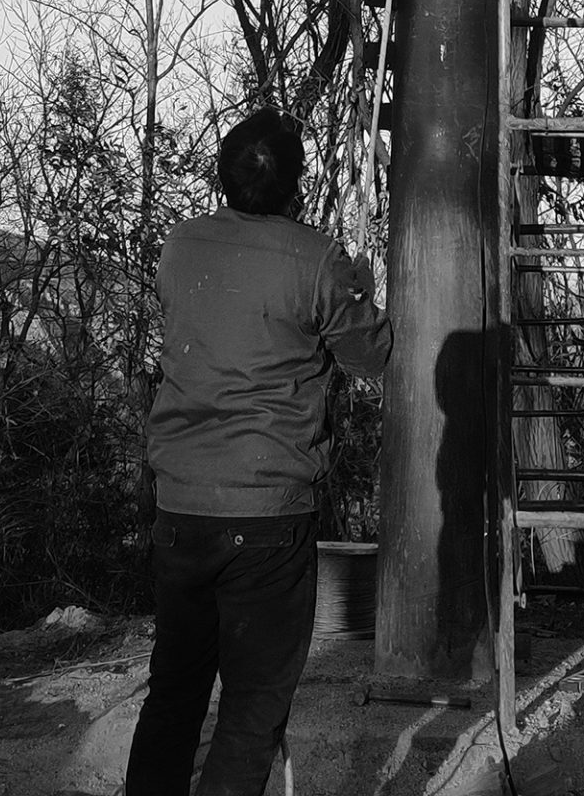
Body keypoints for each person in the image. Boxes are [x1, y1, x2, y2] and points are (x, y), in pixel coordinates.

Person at [124, 111, 392, 796]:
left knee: (174, 694)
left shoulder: (180, 245)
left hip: (181, 504)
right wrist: (358, 293)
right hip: (268, 515)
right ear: (296, 183)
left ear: (222, 172)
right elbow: (373, 358)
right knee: (251, 711)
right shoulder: (318, 260)